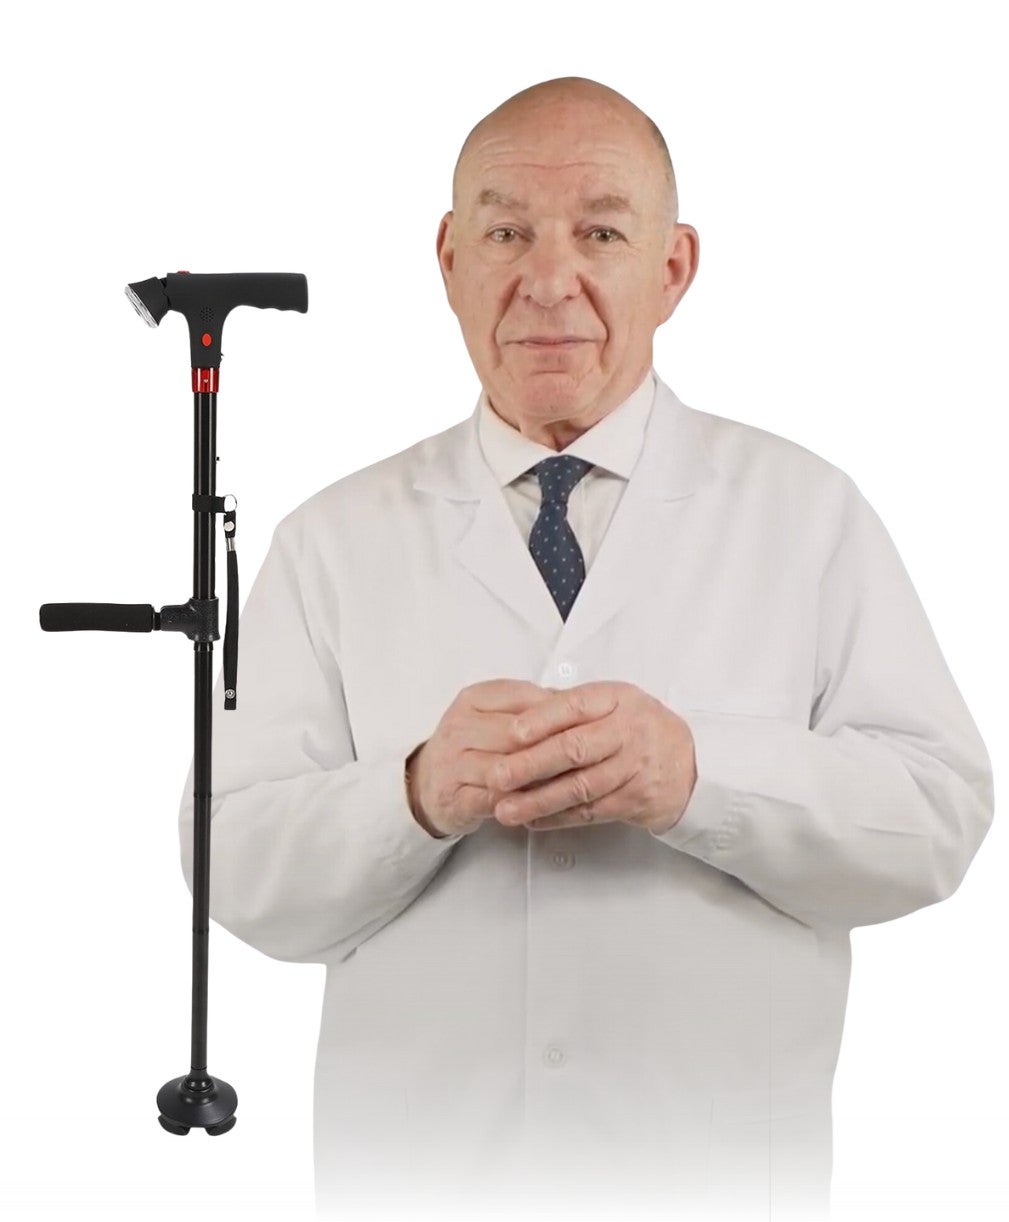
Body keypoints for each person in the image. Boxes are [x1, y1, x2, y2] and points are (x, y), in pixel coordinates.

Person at [178, 77, 994, 1222]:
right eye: (506, 232)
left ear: (674, 267)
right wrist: (413, 794)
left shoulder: (806, 513)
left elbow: (937, 816)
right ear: (449, 259)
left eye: (601, 233)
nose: (548, 280)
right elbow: (229, 858)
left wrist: (702, 776)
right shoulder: (332, 540)